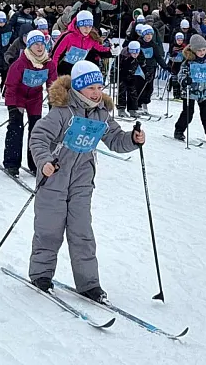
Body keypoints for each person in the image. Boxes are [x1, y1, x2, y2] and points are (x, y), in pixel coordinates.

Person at [28, 60, 145, 301]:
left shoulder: (101, 113)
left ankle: (89, 284)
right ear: (79, 88)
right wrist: (44, 161)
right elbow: (38, 136)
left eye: (100, 87)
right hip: (54, 177)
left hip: (82, 179)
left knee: (82, 231)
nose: (97, 92)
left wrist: (133, 139)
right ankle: (41, 274)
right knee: (49, 229)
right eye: (91, 88)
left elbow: (114, 139)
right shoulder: (61, 111)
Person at [1, 30, 57, 176]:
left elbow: (53, 86)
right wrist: (12, 108)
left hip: (34, 98)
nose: (39, 47)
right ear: (29, 46)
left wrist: (55, 104)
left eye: (42, 44)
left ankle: (35, 163)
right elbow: (10, 86)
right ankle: (12, 163)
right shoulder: (20, 63)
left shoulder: (49, 64)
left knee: (36, 131)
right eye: (36, 44)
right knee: (16, 128)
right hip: (18, 97)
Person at [51, 10, 111, 77]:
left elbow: (100, 50)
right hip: (62, 74)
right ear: (78, 25)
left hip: (78, 74)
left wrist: (111, 51)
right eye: (84, 26)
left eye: (90, 26)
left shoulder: (91, 38)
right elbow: (55, 55)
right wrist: (53, 75)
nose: (87, 29)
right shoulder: (68, 36)